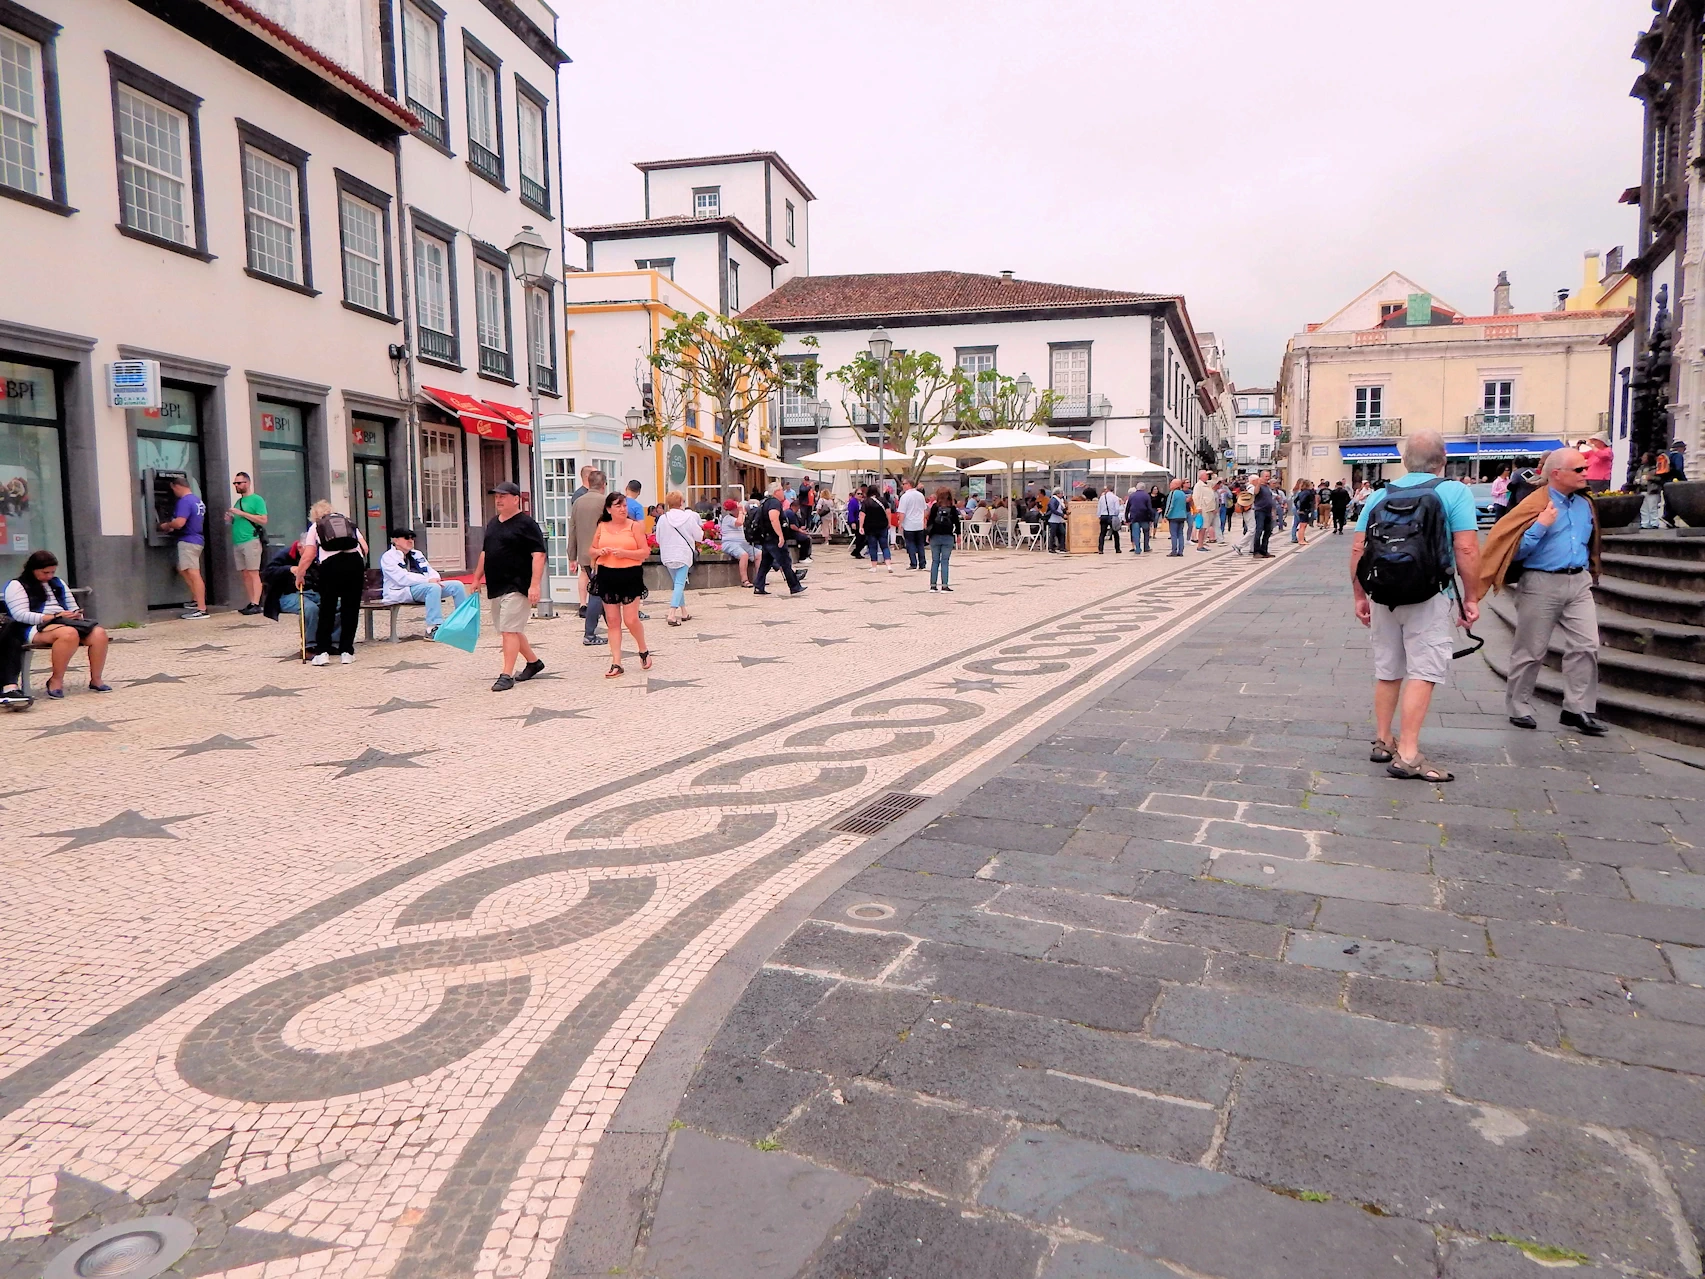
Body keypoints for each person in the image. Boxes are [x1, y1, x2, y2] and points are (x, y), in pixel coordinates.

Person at [1351, 430, 1481, 783]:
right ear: (1443, 460)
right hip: (1429, 594)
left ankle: (1383, 740)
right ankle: (1408, 754)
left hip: (1383, 595)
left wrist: (1360, 596)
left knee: (1388, 668)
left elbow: (1358, 550)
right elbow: (1466, 549)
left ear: (1405, 461)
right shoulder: (1454, 492)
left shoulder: (1379, 495)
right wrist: (1471, 597)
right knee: (1423, 670)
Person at [1479, 447, 1605, 735]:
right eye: (1579, 470)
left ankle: (1577, 709)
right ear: (1557, 474)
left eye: (1585, 468)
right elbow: (1512, 551)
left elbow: (1591, 541)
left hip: (1578, 581)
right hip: (1540, 582)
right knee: (1531, 650)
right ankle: (1519, 705)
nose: (1586, 474)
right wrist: (1540, 527)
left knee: (1586, 646)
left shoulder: (1585, 503)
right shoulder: (1533, 503)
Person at [470, 480, 546, 691]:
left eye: (503, 496)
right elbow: (486, 552)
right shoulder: (493, 523)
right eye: (496, 497)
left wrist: (535, 585)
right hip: (496, 584)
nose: (499, 500)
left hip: (518, 584)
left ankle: (506, 674)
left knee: (509, 631)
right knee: (509, 629)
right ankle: (533, 662)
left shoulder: (527, 524)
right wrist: (477, 578)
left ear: (516, 499)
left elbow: (538, 555)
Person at [3, 550, 111, 698]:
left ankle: (96, 679)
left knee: (99, 634)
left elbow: (71, 605)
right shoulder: (17, 585)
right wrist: (52, 617)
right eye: (45, 572)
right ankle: (56, 680)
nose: (49, 576)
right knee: (68, 634)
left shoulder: (57, 583)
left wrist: (76, 614)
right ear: (33, 570)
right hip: (34, 626)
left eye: (52, 572)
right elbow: (20, 615)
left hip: (64, 621)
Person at [295, 500, 367, 666]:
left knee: (327, 608)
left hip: (331, 566)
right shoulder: (348, 522)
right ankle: (347, 652)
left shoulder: (316, 526)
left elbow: (308, 554)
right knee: (351, 608)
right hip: (354, 564)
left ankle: (322, 652)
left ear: (314, 516)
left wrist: (300, 574)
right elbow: (364, 547)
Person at [587, 490, 651, 675]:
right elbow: (591, 550)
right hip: (607, 574)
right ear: (609, 509)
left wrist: (626, 554)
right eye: (618, 506)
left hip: (630, 575)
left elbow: (645, 552)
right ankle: (616, 662)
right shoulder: (602, 526)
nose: (623, 509)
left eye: (624, 505)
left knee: (631, 619)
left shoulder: (634, 526)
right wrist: (599, 552)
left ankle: (643, 649)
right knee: (613, 620)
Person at [379, 528, 467, 638]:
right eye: (406, 538)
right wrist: (428, 581)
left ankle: (464, 623)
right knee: (433, 588)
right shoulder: (388, 557)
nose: (410, 541)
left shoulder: (417, 554)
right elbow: (401, 578)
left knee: (457, 585)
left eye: (412, 538)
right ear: (395, 540)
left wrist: (435, 578)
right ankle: (433, 627)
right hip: (401, 591)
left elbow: (429, 570)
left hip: (423, 588)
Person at [565, 470, 609, 648]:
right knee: (598, 593)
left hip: (585, 554)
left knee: (602, 591)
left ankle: (612, 625)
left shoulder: (578, 502)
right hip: (603, 554)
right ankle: (589, 633)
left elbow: (573, 529)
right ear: (604, 484)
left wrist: (571, 555)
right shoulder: (605, 502)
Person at [159, 476, 208, 619]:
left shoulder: (184, 501)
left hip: (188, 540)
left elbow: (179, 523)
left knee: (193, 573)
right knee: (183, 568)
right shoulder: (197, 500)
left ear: (176, 486)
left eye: (173, 489)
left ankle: (201, 608)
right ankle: (196, 600)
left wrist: (166, 525)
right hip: (196, 538)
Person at [655, 491, 704, 627]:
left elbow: (658, 538)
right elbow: (699, 536)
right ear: (681, 502)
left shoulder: (663, 519)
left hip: (668, 555)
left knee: (677, 583)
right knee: (679, 584)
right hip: (683, 554)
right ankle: (672, 613)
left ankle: (684, 612)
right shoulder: (688, 518)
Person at [226, 471, 268, 614]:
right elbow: (240, 521)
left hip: (251, 540)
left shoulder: (257, 500)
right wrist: (231, 519)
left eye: (239, 483)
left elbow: (263, 519)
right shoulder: (238, 502)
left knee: (253, 572)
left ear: (247, 483)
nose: (236, 486)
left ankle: (257, 603)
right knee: (245, 573)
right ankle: (251, 602)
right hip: (238, 541)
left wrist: (241, 513)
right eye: (235, 483)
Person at [754, 481, 806, 595]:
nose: (783, 492)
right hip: (774, 538)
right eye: (781, 490)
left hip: (766, 538)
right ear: (776, 491)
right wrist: (780, 536)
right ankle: (794, 586)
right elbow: (773, 518)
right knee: (785, 562)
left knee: (765, 563)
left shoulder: (765, 502)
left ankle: (758, 586)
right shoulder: (774, 503)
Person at [924, 485, 962, 591]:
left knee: (935, 561)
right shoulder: (952, 508)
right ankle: (944, 585)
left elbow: (930, 521)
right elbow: (957, 523)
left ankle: (933, 585)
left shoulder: (935, 507)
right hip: (948, 537)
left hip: (935, 536)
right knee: (945, 561)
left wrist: (928, 534)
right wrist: (958, 534)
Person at [717, 497, 757, 587]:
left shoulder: (739, 516)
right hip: (730, 543)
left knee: (759, 554)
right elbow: (739, 522)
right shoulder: (728, 518)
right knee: (744, 555)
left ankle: (759, 578)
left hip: (743, 543)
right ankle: (744, 580)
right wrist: (741, 511)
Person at [897, 478, 928, 569]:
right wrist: (923, 520)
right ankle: (922, 563)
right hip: (919, 524)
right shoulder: (920, 495)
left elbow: (902, 512)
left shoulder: (905, 497)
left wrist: (900, 523)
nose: (902, 486)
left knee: (910, 544)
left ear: (909, 484)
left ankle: (913, 563)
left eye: (904, 484)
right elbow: (924, 509)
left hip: (909, 524)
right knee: (920, 544)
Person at [861, 485, 893, 570]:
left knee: (872, 546)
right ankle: (888, 565)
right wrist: (889, 523)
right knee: (885, 546)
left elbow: (862, 514)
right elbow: (888, 512)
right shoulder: (883, 500)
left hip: (870, 527)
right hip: (882, 526)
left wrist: (861, 526)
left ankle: (874, 567)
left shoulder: (866, 502)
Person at [1250, 470, 1276, 558]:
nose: (1268, 478)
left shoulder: (1267, 487)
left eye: (1269, 476)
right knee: (1259, 530)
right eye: (1266, 476)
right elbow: (1255, 492)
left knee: (1268, 531)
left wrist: (1272, 511)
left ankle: (1264, 550)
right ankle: (1256, 551)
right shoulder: (1259, 486)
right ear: (1261, 477)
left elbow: (1270, 500)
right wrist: (1258, 483)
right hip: (1260, 511)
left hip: (1268, 512)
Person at [1191, 471, 1218, 552]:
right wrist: (1198, 507)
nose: (1207, 476)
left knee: (1205, 527)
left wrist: (1212, 474)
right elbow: (1196, 496)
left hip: (1209, 508)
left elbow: (1215, 481)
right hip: (1203, 508)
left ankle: (1202, 543)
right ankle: (1200, 545)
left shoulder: (1207, 484)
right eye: (1206, 475)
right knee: (1203, 527)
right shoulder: (1198, 485)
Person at [1637, 452, 1664, 528]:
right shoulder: (1640, 468)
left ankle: (1654, 523)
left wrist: (1651, 478)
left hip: (1652, 490)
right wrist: (1637, 481)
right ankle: (1645, 523)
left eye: (1644, 457)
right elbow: (1636, 477)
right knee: (1643, 508)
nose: (1642, 458)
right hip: (1642, 489)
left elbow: (1660, 479)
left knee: (1652, 507)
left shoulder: (1655, 468)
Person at [1164, 479, 1190, 555]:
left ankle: (1174, 550)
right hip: (1182, 516)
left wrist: (1166, 515)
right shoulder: (1182, 493)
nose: (1170, 485)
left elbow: (1170, 505)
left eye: (1171, 483)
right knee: (1180, 534)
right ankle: (1181, 551)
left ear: (1176, 485)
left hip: (1174, 516)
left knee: (1174, 534)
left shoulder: (1173, 493)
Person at [1125, 486, 1154, 553]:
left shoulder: (1132, 496)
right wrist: (1151, 518)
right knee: (1146, 532)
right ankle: (1146, 547)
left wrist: (1127, 518)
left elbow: (1127, 508)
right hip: (1145, 517)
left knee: (1136, 533)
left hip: (1134, 517)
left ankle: (1137, 548)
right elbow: (1149, 507)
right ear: (1144, 488)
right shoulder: (1146, 496)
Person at [1096, 484, 1124, 553]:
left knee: (1102, 533)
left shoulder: (1102, 497)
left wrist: (1099, 516)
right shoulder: (1115, 498)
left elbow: (1099, 508)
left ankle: (1100, 549)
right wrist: (1116, 515)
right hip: (1112, 516)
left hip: (1103, 516)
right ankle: (1117, 549)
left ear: (1107, 489)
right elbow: (1117, 509)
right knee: (1115, 533)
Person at [1291, 479, 1315, 546]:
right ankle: (1301, 540)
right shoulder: (1308, 492)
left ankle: (1301, 539)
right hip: (1305, 510)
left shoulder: (1301, 492)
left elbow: (1295, 501)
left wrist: (1298, 508)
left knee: (1302, 525)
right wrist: (1301, 509)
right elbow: (1304, 501)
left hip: (1302, 510)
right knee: (1302, 526)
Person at [1044, 487, 1066, 553]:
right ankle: (1051, 548)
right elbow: (1053, 510)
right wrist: (1062, 515)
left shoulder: (1059, 500)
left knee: (1062, 532)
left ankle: (1061, 547)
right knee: (1053, 534)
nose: (1062, 495)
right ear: (1057, 494)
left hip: (1058, 520)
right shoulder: (1053, 500)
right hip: (1053, 520)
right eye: (1061, 493)